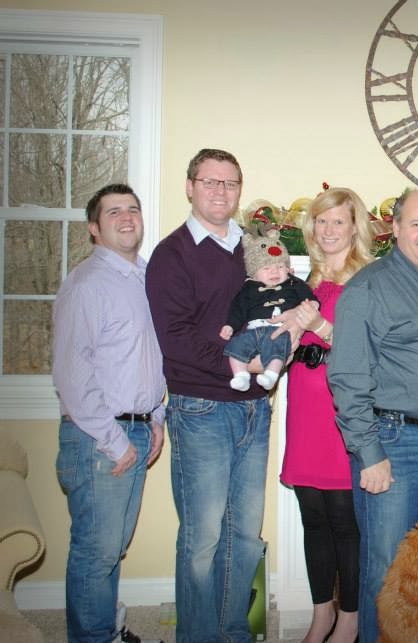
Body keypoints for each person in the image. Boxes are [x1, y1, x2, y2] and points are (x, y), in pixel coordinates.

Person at [146, 148, 308, 642]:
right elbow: (175, 339)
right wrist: (244, 365)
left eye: (230, 183)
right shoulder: (172, 255)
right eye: (210, 181)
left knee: (244, 537)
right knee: (203, 539)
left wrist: (294, 327)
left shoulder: (255, 250)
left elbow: (284, 299)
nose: (220, 191)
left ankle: (234, 632)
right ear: (190, 187)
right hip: (201, 410)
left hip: (254, 408)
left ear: (239, 190)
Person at [327, 189, 418, 643]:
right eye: (417, 224)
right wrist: (368, 453)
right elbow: (347, 375)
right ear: (394, 228)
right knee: (388, 569)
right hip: (394, 442)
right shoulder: (368, 288)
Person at [53, 183, 166, 643]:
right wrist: (114, 440)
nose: (126, 217)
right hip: (98, 437)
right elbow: (71, 373)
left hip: (135, 429)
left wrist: (156, 417)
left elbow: (148, 356)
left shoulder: (145, 276)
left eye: (132, 209)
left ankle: (106, 631)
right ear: (94, 229)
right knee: (96, 552)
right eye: (113, 211)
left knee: (111, 548)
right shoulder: (87, 284)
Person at [281, 188, 374, 643]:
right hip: (303, 404)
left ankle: (350, 620)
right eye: (322, 221)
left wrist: (318, 326)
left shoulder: (368, 281)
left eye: (339, 220)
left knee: (344, 520)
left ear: (355, 227)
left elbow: (369, 350)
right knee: (312, 517)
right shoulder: (304, 281)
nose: (329, 229)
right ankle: (322, 615)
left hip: (342, 410)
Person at [220, 225, 318, 391]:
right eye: (266, 268)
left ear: (288, 269)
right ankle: (240, 375)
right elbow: (238, 308)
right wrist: (230, 325)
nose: (274, 272)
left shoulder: (293, 283)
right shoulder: (248, 288)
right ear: (254, 273)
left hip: (279, 330)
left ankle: (271, 375)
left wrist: (313, 303)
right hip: (253, 330)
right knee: (236, 345)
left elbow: (307, 295)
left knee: (277, 349)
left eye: (280, 267)